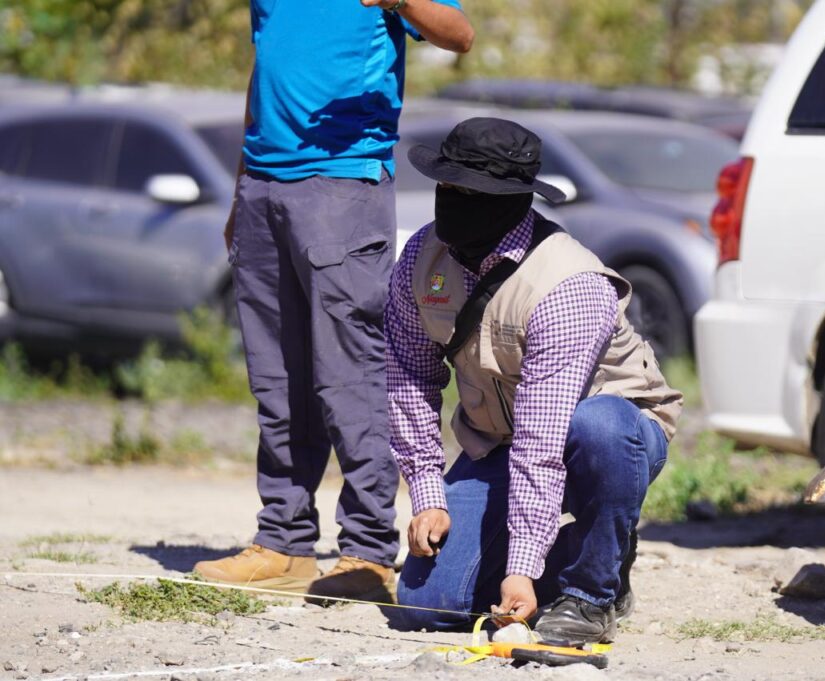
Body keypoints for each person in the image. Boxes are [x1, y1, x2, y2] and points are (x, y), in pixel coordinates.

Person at [194, 0, 474, 604]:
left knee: (350, 377)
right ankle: (284, 542)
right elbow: (264, 75)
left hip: (342, 184)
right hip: (263, 188)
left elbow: (460, 35)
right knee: (277, 380)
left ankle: (368, 552)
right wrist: (242, 190)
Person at [384, 117, 684, 644]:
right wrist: (428, 492)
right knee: (427, 603)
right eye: (446, 185)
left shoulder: (568, 284)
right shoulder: (421, 258)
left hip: (608, 432)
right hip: (499, 442)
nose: (451, 200)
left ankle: (591, 594)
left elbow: (542, 441)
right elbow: (408, 375)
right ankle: (597, 552)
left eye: (469, 191)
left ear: (511, 200)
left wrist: (521, 567)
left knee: (599, 429)